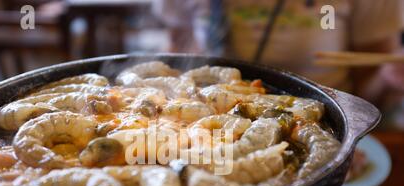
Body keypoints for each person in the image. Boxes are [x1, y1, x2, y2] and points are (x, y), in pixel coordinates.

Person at [152, 0, 404, 105]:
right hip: (212, 128)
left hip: (325, 124)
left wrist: (389, 80)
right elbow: (178, 59)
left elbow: (371, 97)